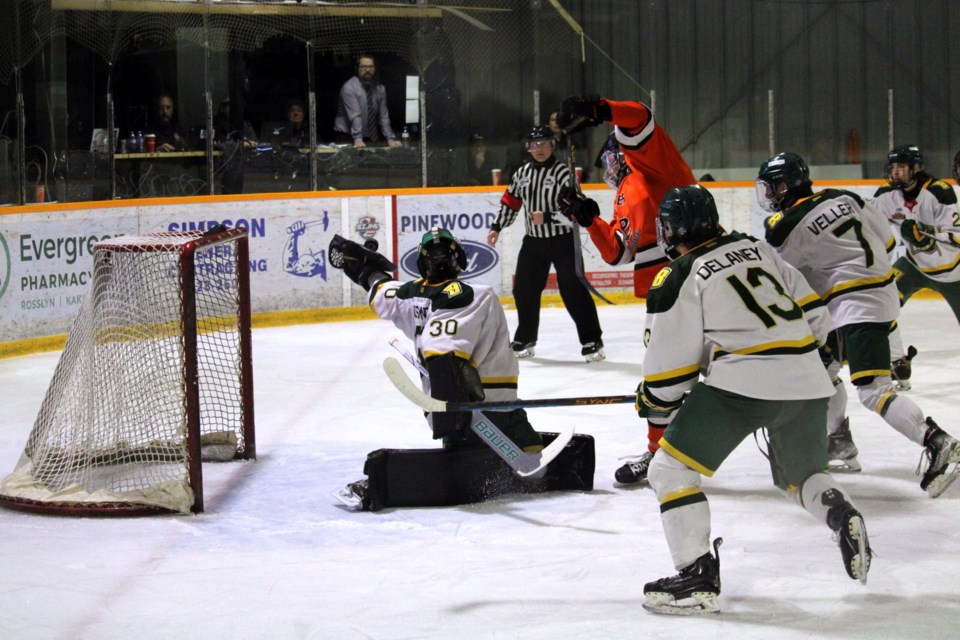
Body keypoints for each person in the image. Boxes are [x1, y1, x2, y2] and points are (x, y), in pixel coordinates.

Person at [639, 184, 870, 615]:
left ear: (677, 229)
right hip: (809, 380)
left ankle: (695, 577)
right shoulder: (756, 249)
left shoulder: (678, 275)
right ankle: (840, 515)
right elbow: (815, 314)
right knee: (801, 476)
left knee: (670, 471)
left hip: (744, 386)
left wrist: (653, 399)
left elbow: (669, 371)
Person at [328, 228, 595, 511]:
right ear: (461, 260)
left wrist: (368, 272)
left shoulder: (408, 294)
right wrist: (454, 414)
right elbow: (443, 357)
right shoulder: (472, 295)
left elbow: (382, 293)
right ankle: (397, 476)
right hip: (474, 406)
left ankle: (470, 450)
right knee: (502, 458)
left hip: (467, 408)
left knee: (499, 448)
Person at [758, 151, 960, 495]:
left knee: (874, 391)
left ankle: (940, 443)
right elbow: (889, 242)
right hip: (869, 298)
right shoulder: (845, 197)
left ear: (787, 185)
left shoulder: (786, 225)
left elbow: (776, 281)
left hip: (854, 306)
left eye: (773, 187)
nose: (770, 196)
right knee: (824, 373)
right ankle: (839, 442)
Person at [556, 95, 695, 486]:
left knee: (672, 373)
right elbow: (618, 252)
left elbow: (640, 119)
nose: (606, 170)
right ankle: (660, 452)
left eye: (607, 160)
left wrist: (600, 108)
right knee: (665, 373)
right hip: (667, 290)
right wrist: (589, 219)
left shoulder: (652, 164)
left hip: (695, 276)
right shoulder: (626, 191)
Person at [486, 126, 605, 362]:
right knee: (524, 290)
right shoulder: (522, 174)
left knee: (573, 291)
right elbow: (510, 202)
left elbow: (579, 212)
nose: (539, 149)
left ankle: (592, 340)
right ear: (528, 148)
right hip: (534, 241)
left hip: (563, 241)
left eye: (544, 144)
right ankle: (526, 337)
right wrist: (497, 227)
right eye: (534, 144)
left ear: (552, 145)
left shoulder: (564, 174)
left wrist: (549, 216)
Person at [871, 145, 960, 390]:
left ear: (916, 168)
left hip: (953, 272)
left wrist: (924, 234)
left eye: (902, 167)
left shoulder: (939, 192)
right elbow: (868, 226)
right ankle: (898, 361)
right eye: (893, 167)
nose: (896, 172)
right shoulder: (885, 195)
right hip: (913, 266)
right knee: (882, 304)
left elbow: (957, 236)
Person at [333, 55, 402, 148]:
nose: (367, 70)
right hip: (346, 136)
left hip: (367, 136)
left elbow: (383, 117)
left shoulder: (380, 88)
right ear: (357, 68)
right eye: (363, 67)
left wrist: (390, 139)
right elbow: (355, 116)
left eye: (370, 67)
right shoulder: (349, 88)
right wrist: (358, 139)